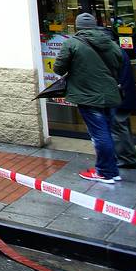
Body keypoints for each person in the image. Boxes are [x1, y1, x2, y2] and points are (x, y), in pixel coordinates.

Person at [53, 13, 123, 183]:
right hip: (109, 94)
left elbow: (58, 68)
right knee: (107, 132)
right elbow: (119, 62)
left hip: (87, 96)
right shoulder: (110, 43)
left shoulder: (72, 43)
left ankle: (105, 172)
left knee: (99, 135)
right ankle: (112, 170)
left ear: (78, 26)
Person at [106, 28, 136, 171]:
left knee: (119, 128)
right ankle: (128, 156)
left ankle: (126, 159)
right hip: (123, 95)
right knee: (122, 127)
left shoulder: (114, 53)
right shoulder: (119, 51)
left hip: (120, 96)